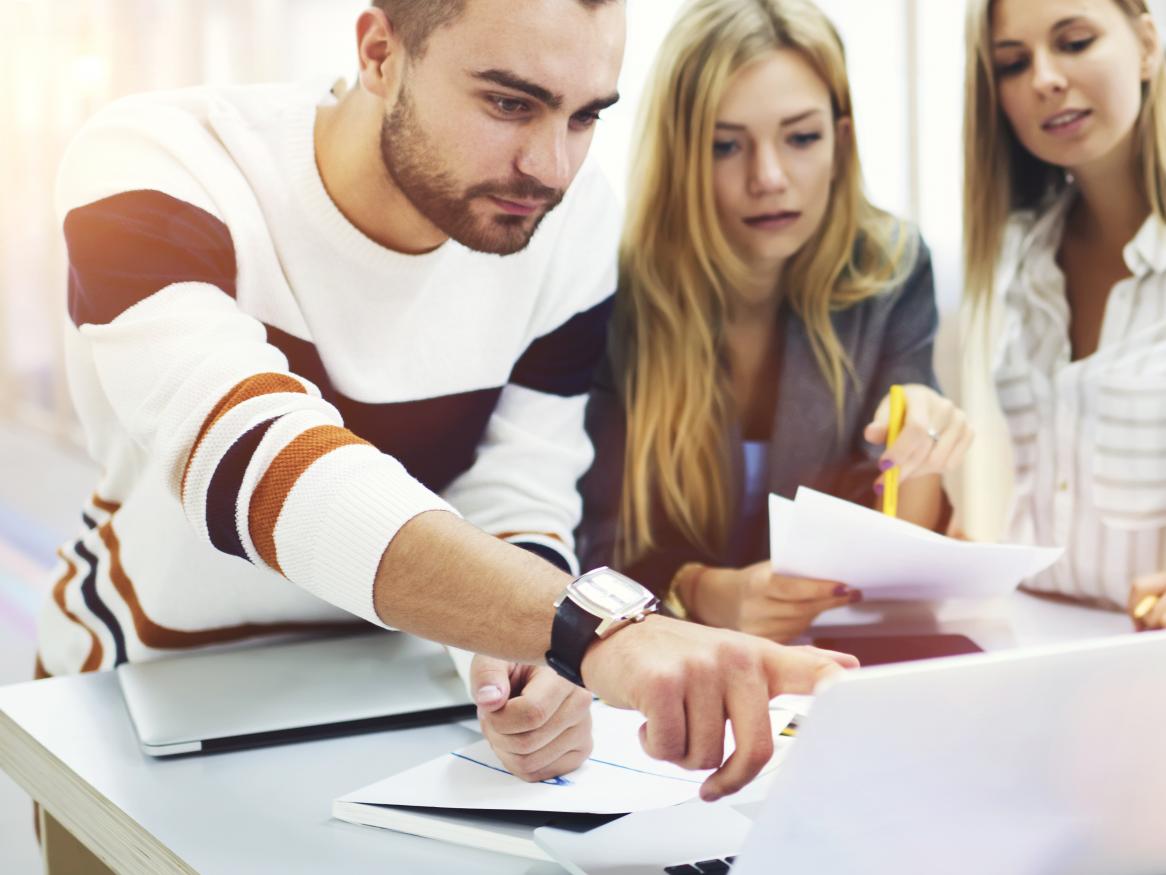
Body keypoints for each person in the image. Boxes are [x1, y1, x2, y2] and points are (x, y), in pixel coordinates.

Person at [40, 0, 853, 801]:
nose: (553, 168)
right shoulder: (157, 160)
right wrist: (590, 632)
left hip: (411, 703)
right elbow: (248, 457)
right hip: (141, 690)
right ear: (380, 53)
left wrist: (523, 662)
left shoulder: (569, 220)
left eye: (584, 117)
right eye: (509, 103)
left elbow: (517, 485)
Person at [578, 0, 973, 644]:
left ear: (841, 140)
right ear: (681, 155)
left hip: (831, 666)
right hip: (659, 665)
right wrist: (706, 592)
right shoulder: (612, 294)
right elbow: (581, 542)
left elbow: (904, 545)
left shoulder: (891, 271)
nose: (769, 178)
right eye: (726, 145)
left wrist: (923, 454)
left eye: (801, 137)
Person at [962, 0, 1166, 630]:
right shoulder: (1020, 254)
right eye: (1013, 63)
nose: (1045, 79)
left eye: (1074, 42)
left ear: (1146, 44)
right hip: (1034, 637)